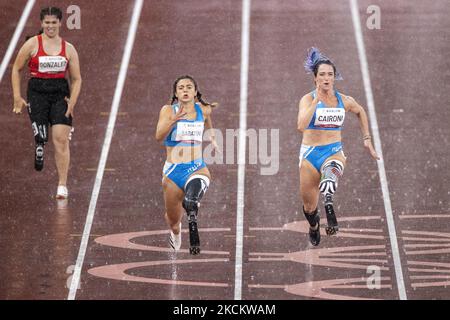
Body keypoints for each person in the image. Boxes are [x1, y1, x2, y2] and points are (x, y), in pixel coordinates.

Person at [297, 47, 379, 246]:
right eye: (322, 75)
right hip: (309, 155)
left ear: (334, 77)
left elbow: (360, 112)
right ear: (315, 78)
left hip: (333, 151)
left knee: (331, 172)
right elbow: (300, 126)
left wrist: (367, 138)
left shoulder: (344, 101)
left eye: (330, 75)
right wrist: (316, 101)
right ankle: (314, 224)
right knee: (308, 207)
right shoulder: (307, 100)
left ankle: (329, 198)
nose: (326, 78)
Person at [12, 7, 81, 200]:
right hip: (37, 92)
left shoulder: (68, 48)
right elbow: (16, 69)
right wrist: (17, 97)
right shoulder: (32, 45)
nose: (50, 26)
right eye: (47, 23)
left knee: (60, 139)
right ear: (42, 24)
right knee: (43, 135)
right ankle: (39, 142)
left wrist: (73, 102)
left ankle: (62, 184)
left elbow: (77, 79)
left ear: (60, 23)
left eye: (54, 22)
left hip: (60, 93)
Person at [155, 75, 218, 255]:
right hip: (173, 172)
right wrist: (173, 120)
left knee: (191, 201)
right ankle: (176, 233)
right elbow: (159, 136)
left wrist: (212, 136)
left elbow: (208, 120)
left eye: (189, 87)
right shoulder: (168, 110)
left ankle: (192, 208)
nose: (185, 90)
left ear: (195, 92)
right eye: (181, 87)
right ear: (176, 93)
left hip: (197, 167)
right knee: (173, 221)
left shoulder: (204, 110)